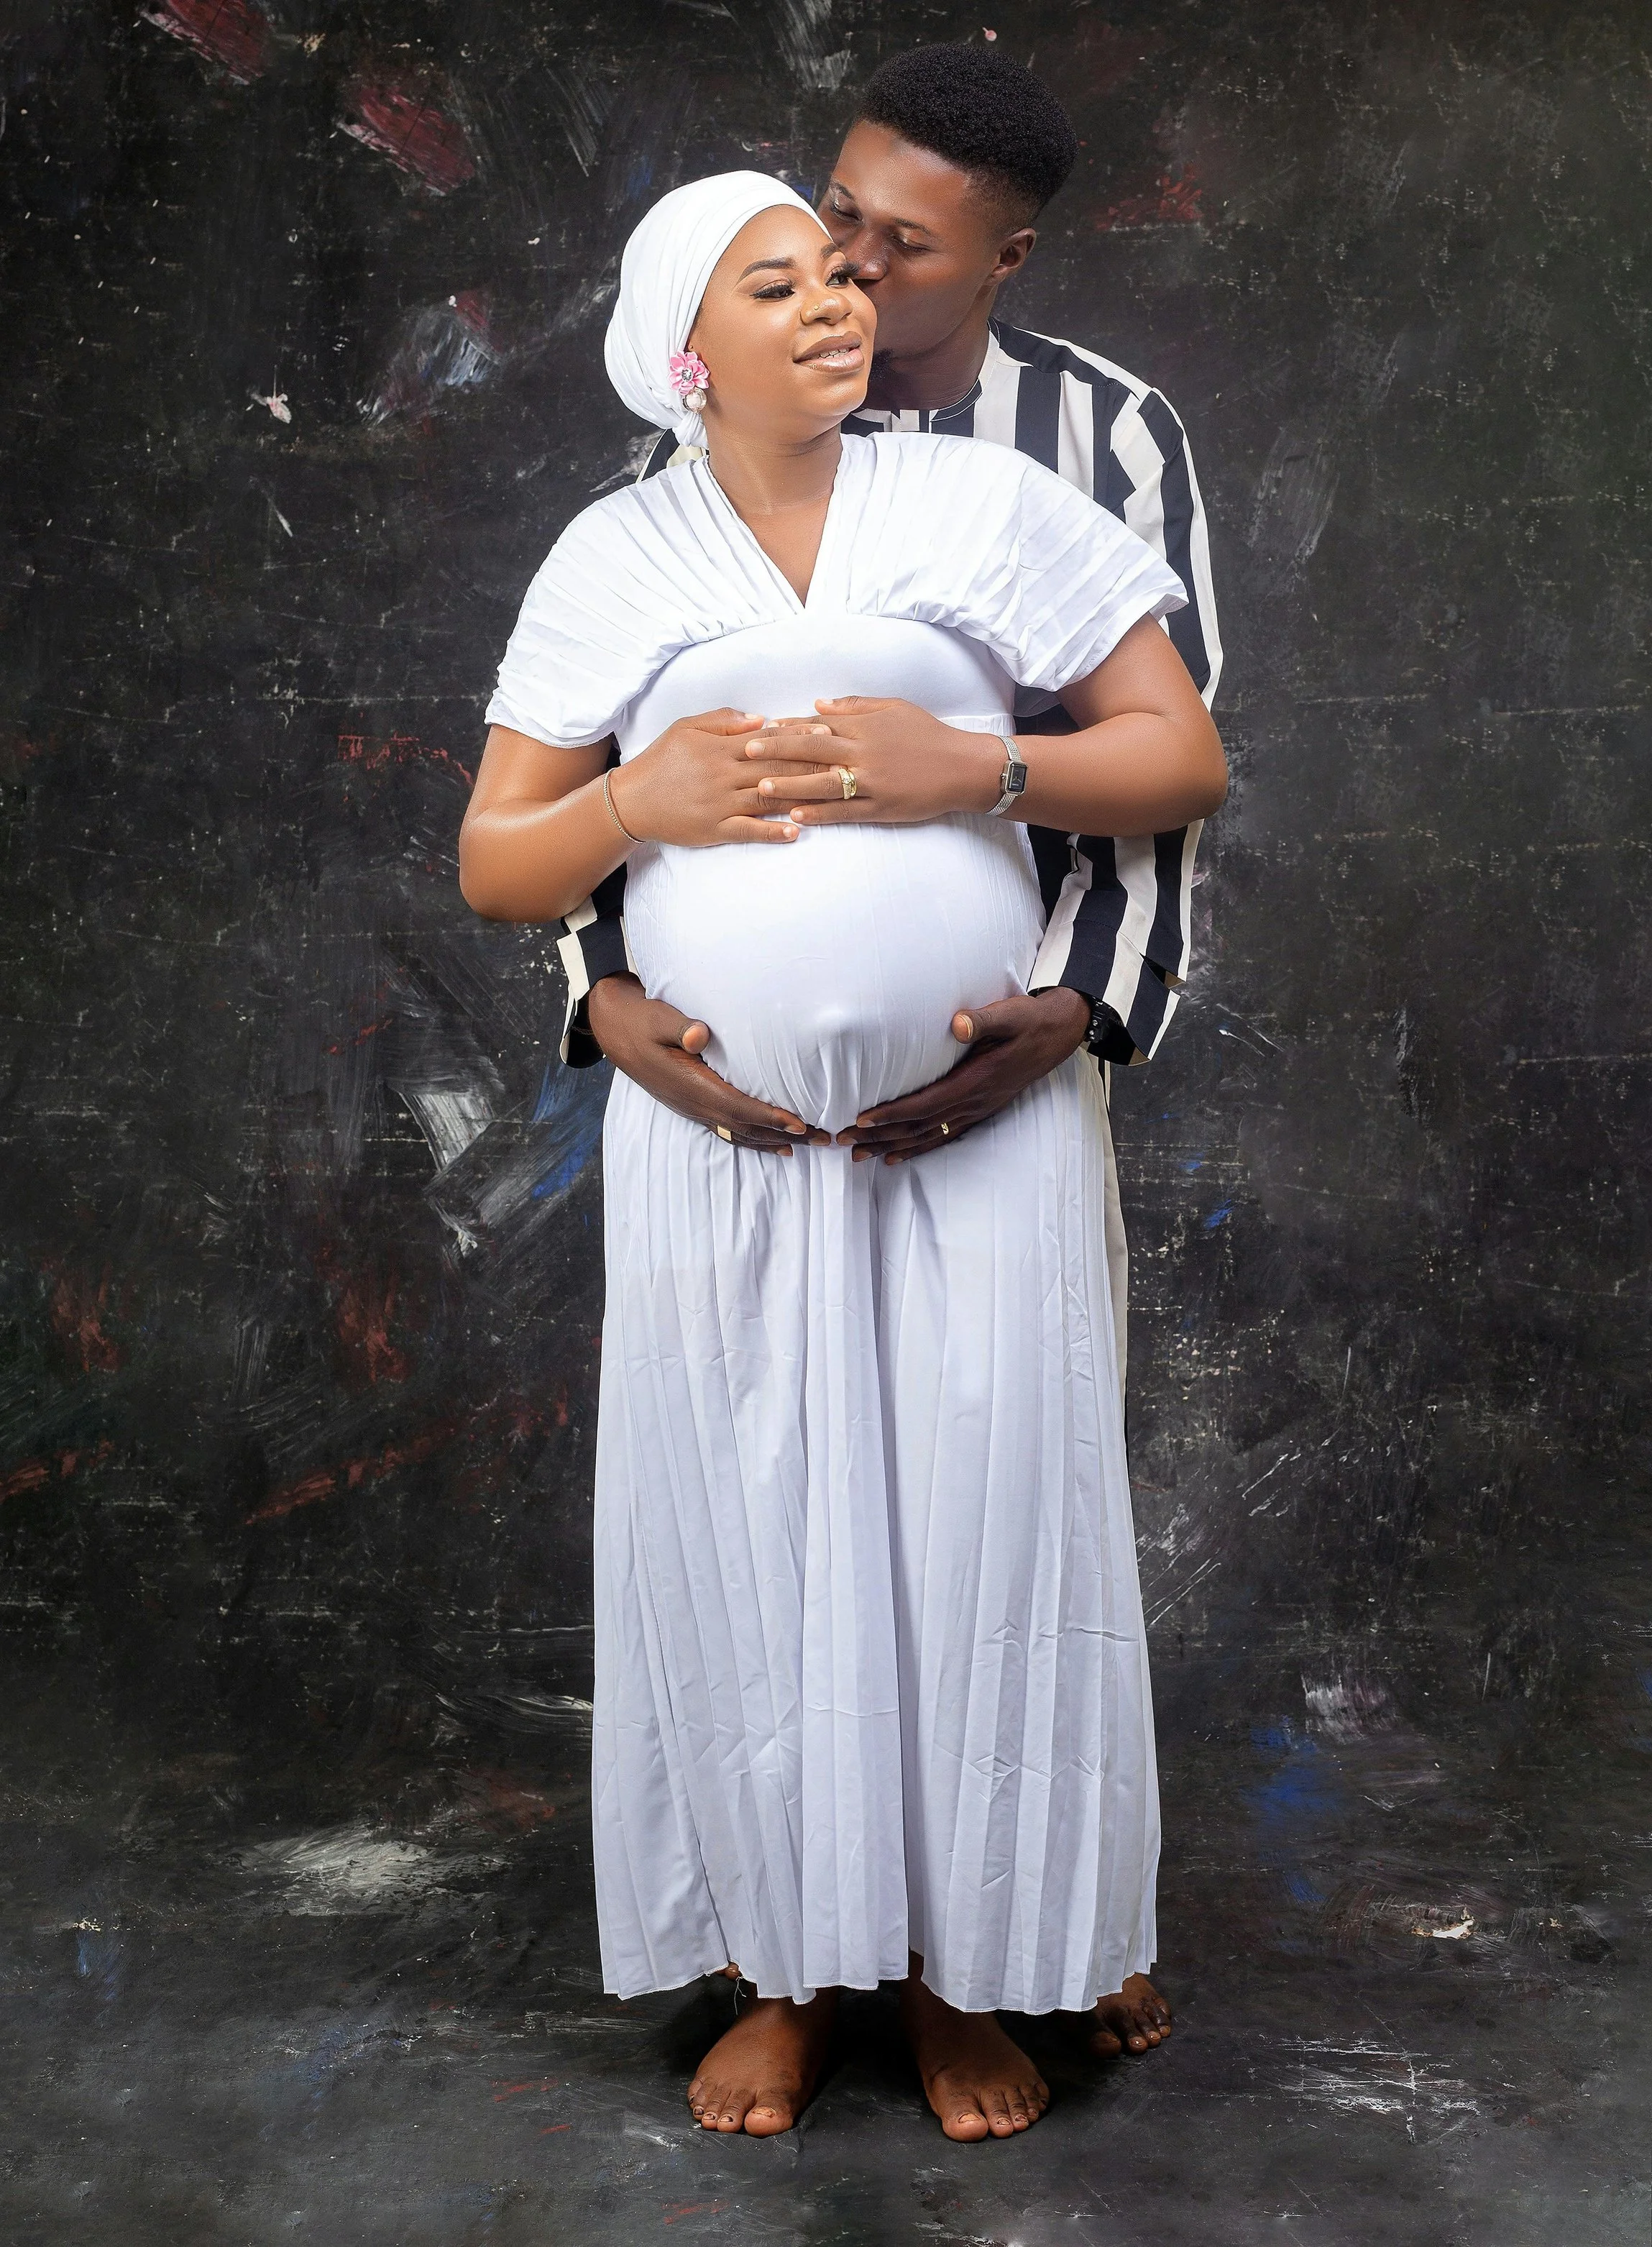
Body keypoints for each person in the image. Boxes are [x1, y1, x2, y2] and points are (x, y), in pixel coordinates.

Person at [459, 172, 1226, 2139]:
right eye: (773, 283)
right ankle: (793, 1972)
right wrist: (640, 793)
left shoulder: (982, 508)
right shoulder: (613, 555)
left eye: (839, 275)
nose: (830, 304)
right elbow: (500, 863)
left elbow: (1177, 754)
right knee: (747, 1523)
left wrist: (962, 767)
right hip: (721, 1147)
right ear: (680, 353)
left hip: (974, 1139)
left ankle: (971, 1976)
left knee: (979, 1525)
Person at [561, 47, 1221, 1271]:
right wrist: (604, 988)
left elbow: (1170, 761)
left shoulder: (1104, 433)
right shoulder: (705, 445)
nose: (853, 266)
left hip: (1003, 1064)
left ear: (1003, 258)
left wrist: (1081, 999)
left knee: (994, 1435)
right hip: (724, 1103)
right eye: (839, 213)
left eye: (906, 244)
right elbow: (598, 750)